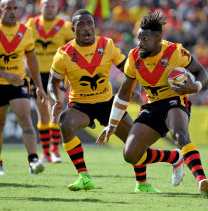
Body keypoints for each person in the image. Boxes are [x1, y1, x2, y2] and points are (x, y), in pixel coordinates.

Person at [48, 9, 183, 192]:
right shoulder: (63, 54)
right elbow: (52, 83)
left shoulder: (107, 45)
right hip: (80, 105)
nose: (87, 28)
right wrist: (56, 99)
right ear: (73, 29)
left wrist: (134, 89)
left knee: (133, 146)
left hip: (107, 103)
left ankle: (147, 179)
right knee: (65, 121)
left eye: (90, 24)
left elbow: (129, 69)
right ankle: (84, 177)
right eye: (81, 25)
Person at [97, 11, 208, 199]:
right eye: (139, 38)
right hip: (151, 106)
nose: (140, 43)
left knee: (179, 135)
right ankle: (175, 158)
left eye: (145, 39)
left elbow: (201, 72)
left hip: (174, 100)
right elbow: (124, 93)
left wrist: (196, 86)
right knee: (131, 154)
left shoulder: (175, 52)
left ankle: (202, 180)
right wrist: (112, 124)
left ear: (158, 39)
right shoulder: (134, 57)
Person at [0, 0, 48, 175]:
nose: (12, 12)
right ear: (0, 10)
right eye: (8, 8)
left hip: (18, 83)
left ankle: (33, 160)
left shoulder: (26, 32)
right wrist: (6, 75)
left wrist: (39, 86)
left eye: (15, 8)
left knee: (25, 119)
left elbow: (32, 60)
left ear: (19, 10)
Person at [26, 0, 74, 163]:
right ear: (41, 6)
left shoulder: (65, 26)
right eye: (46, 5)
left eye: (52, 5)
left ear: (57, 7)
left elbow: (73, 48)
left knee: (56, 110)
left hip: (57, 73)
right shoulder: (31, 24)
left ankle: (55, 151)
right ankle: (46, 153)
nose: (49, 8)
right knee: (43, 115)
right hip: (36, 74)